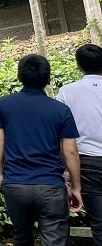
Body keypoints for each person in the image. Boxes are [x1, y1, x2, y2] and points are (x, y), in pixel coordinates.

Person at [0, 53, 83, 246]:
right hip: (50, 186)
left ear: (19, 77)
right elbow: (70, 152)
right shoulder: (61, 110)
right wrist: (75, 187)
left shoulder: (4, 104)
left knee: (22, 236)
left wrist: (1, 175)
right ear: (49, 79)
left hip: (15, 185)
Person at [57, 43, 102, 246]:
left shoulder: (67, 92)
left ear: (79, 66)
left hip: (87, 164)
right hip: (86, 162)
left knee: (100, 224)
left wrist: (68, 171)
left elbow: (62, 137)